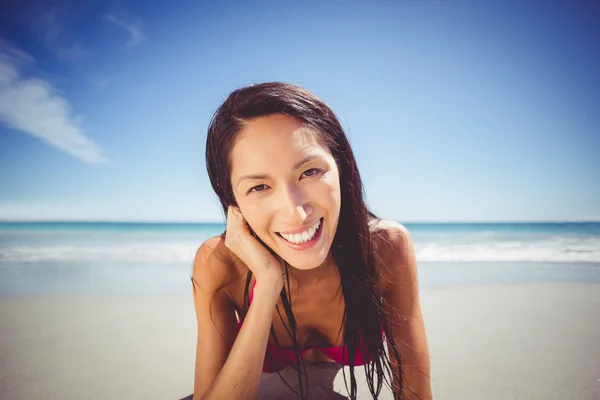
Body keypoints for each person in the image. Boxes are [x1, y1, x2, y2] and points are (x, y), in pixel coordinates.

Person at [191, 82, 431, 399]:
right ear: (233, 201)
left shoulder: (385, 249)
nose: (296, 212)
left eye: (309, 172)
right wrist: (265, 287)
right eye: (259, 187)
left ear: (340, 167)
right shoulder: (221, 265)